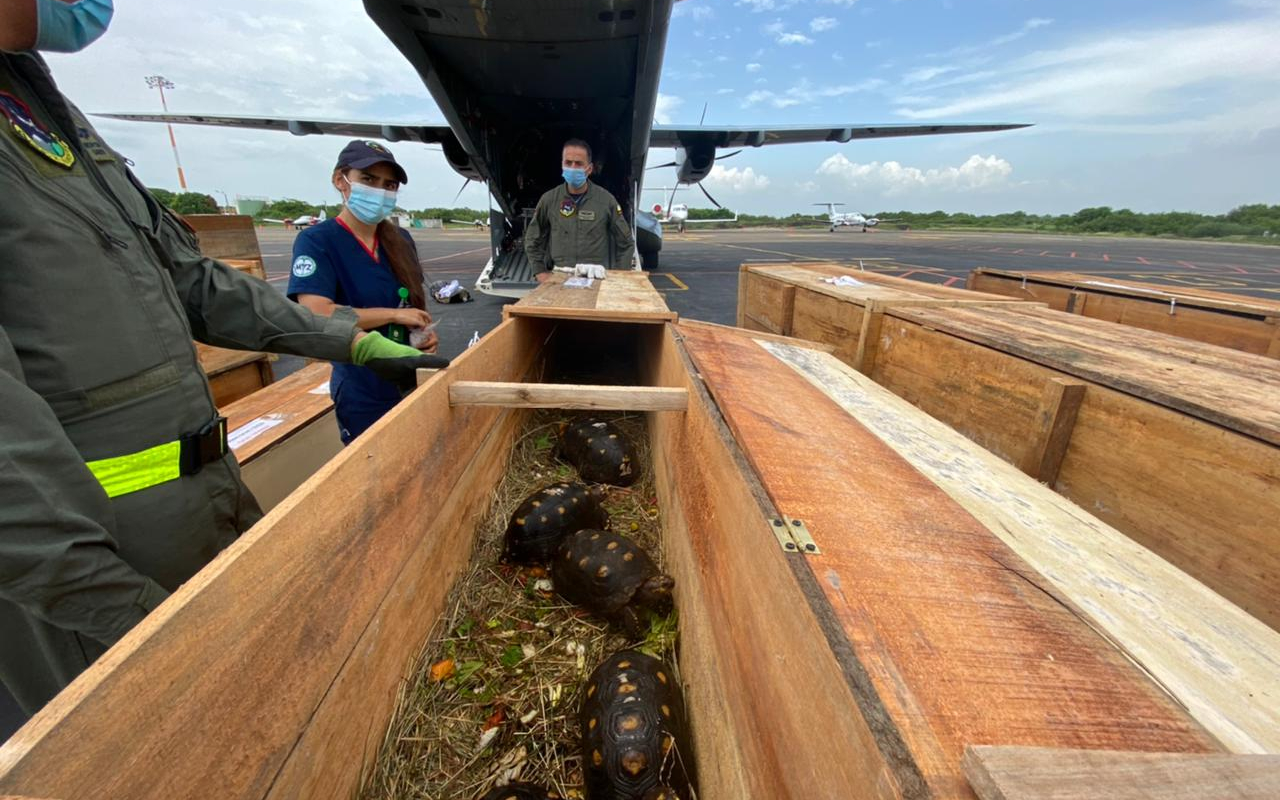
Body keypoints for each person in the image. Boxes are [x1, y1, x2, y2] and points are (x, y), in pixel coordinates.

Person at [0, 0, 446, 720]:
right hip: (99, 573)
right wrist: (128, 614)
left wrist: (354, 343)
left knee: (269, 715)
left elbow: (196, 281)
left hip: (207, 503)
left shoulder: (43, 104)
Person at [289, 140, 440, 444]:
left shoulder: (399, 239)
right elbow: (315, 312)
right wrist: (393, 314)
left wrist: (423, 334)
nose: (380, 192)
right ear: (340, 180)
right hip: (363, 385)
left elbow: (409, 302)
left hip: (409, 374)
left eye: (389, 184)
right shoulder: (318, 241)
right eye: (369, 180)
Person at [524, 138, 635, 282]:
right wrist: (539, 272)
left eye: (578, 164)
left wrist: (619, 276)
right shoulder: (549, 200)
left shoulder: (606, 201)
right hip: (559, 279)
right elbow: (533, 239)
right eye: (568, 163)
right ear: (562, 165)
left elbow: (626, 243)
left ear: (589, 169)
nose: (573, 167)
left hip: (595, 278)